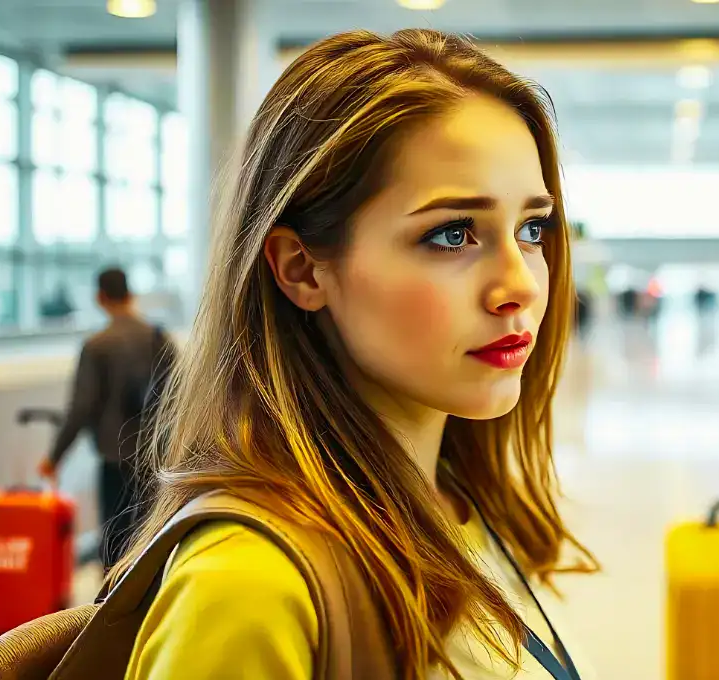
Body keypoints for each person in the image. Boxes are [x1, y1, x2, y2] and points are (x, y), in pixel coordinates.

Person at [108, 30, 598, 679]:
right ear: (303, 270)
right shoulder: (249, 584)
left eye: (531, 229)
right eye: (452, 234)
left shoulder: (451, 503)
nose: (521, 285)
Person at [39, 267, 176, 571]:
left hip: (115, 461)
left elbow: (81, 407)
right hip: (154, 460)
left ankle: (112, 613)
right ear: (130, 294)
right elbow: (179, 397)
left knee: (115, 546)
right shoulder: (158, 338)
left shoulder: (96, 346)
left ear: (100, 297)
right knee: (150, 542)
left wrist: (54, 458)